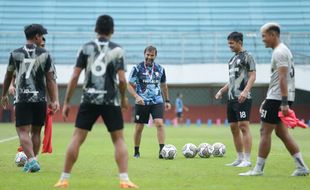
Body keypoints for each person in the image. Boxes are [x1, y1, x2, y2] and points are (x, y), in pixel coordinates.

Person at [54, 15, 138, 188]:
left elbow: (75, 76)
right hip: (110, 99)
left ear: (95, 29)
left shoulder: (85, 48)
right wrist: (123, 98)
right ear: (112, 30)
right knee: (119, 139)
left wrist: (67, 102)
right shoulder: (118, 50)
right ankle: (124, 179)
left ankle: (64, 178)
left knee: (77, 137)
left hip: (89, 98)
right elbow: (122, 80)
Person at [239, 23, 309, 176]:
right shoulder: (281, 51)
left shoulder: (280, 52)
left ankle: (258, 169)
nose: (262, 39)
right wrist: (269, 99)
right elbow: (279, 79)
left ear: (273, 35)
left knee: (265, 131)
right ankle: (302, 167)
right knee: (281, 133)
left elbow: (283, 78)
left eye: (264, 36)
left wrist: (283, 103)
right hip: (278, 97)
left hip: (278, 98)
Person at [1, 24, 59, 172]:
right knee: (36, 131)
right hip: (39, 99)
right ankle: (33, 160)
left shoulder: (15, 54)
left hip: (22, 99)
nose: (42, 38)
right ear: (37, 36)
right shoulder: (45, 54)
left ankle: (32, 160)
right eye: (42, 35)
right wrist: (55, 100)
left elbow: (8, 76)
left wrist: (4, 94)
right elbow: (51, 80)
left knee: (22, 131)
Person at [215, 31, 256, 168]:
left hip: (243, 98)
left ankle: (247, 159)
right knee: (233, 128)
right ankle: (239, 158)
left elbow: (252, 76)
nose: (230, 46)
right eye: (228, 43)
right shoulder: (231, 60)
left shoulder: (248, 57)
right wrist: (222, 90)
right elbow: (232, 80)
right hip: (231, 98)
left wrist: (245, 91)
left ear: (240, 42)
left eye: (232, 43)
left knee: (243, 126)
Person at [10, 36, 53, 155]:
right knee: (24, 127)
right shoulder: (23, 57)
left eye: (44, 46)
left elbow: (50, 81)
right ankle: (27, 152)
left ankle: (29, 155)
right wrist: (10, 86)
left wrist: (51, 100)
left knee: (34, 130)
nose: (42, 47)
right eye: (41, 45)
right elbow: (12, 75)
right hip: (22, 95)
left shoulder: (44, 58)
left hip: (38, 97)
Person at [127, 45, 171, 159]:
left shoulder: (160, 69)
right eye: (147, 55)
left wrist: (167, 100)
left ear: (155, 56)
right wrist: (136, 96)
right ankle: (136, 151)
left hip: (157, 101)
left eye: (152, 55)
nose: (149, 57)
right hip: (142, 102)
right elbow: (129, 85)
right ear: (144, 54)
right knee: (139, 127)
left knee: (159, 124)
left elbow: (164, 86)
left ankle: (162, 151)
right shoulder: (137, 68)